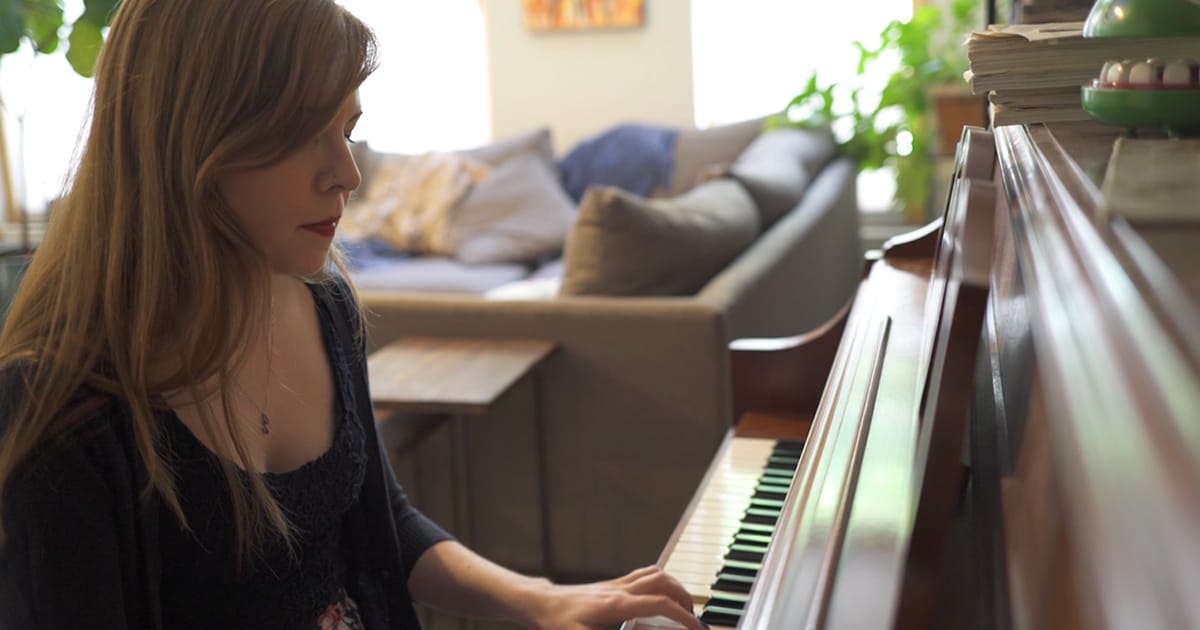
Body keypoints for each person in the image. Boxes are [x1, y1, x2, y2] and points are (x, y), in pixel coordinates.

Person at [0, 1, 706, 628]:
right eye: (308, 132)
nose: (348, 173)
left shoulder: (325, 304)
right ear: (193, 140)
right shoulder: (64, 409)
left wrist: (542, 599)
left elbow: (381, 523)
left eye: (348, 128)